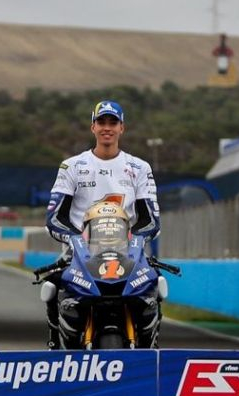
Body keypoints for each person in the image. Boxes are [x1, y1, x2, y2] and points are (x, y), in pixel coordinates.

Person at [42, 100, 160, 347]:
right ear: (92, 127)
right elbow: (54, 217)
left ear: (122, 128)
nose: (107, 127)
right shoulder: (72, 166)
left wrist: (135, 242)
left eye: (113, 122)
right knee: (51, 287)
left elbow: (150, 218)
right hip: (79, 253)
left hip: (126, 253)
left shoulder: (139, 167)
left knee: (157, 285)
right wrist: (76, 239)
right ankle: (55, 346)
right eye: (102, 122)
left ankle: (151, 346)